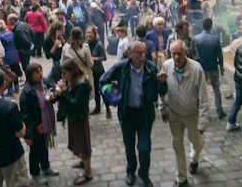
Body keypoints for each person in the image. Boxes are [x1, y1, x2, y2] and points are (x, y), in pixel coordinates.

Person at [99, 41, 168, 187]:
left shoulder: (151, 67)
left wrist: (162, 83)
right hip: (127, 114)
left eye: (144, 52)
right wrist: (111, 95)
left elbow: (161, 91)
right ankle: (130, 171)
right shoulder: (122, 67)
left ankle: (144, 173)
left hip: (144, 114)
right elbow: (103, 80)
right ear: (131, 54)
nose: (142, 56)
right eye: (139, 53)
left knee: (144, 148)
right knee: (129, 147)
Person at [159, 40, 208, 187]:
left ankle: (194, 158)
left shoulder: (196, 69)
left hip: (192, 114)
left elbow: (204, 97)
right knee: (177, 145)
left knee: (197, 142)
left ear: (185, 52)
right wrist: (163, 108)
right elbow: (162, 89)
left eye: (179, 53)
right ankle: (181, 178)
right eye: (173, 53)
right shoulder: (167, 66)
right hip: (174, 113)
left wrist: (203, 121)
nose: (176, 57)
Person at [19, 63, 59, 186]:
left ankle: (46, 167)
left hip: (46, 122)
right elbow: (25, 115)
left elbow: (53, 92)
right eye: (37, 72)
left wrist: (54, 95)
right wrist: (28, 135)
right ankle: (35, 173)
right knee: (35, 150)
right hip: (36, 126)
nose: (41, 74)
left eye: (41, 71)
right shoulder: (27, 92)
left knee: (44, 146)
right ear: (30, 76)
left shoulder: (45, 83)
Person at [56, 60, 94, 185]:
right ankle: (84, 162)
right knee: (78, 142)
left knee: (83, 144)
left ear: (72, 71)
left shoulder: (82, 84)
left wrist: (64, 91)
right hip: (74, 117)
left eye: (65, 73)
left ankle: (88, 173)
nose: (63, 76)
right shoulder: (74, 80)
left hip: (79, 118)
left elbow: (74, 104)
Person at [194, 18, 226, 119]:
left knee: (200, 90)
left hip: (201, 67)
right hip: (213, 67)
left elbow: (195, 54)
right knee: (216, 88)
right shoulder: (215, 38)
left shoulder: (196, 38)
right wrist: (221, 66)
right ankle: (219, 111)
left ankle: (202, 113)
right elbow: (219, 54)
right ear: (211, 26)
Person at [62, 27, 94, 100]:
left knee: (72, 94)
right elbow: (90, 64)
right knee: (84, 96)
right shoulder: (85, 47)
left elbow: (62, 63)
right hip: (83, 74)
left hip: (71, 75)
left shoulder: (66, 47)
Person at [86, 26, 110, 117]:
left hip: (99, 71)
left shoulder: (99, 44)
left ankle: (108, 108)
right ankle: (97, 107)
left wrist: (95, 58)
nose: (88, 35)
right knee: (95, 90)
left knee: (103, 90)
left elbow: (104, 57)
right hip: (91, 71)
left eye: (90, 33)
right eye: (87, 33)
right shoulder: (86, 44)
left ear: (95, 34)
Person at [0, 20, 22, 95]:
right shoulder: (11, 33)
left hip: (5, 57)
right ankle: (16, 88)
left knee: (7, 74)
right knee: (14, 72)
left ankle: (10, 90)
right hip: (14, 55)